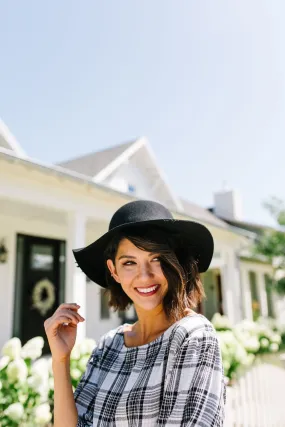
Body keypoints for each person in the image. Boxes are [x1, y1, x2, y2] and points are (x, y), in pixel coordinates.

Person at [44, 200, 226, 426]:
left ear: (175, 262)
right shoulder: (109, 346)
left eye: (157, 259)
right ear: (114, 271)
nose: (144, 275)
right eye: (129, 262)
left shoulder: (193, 336)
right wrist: (60, 360)